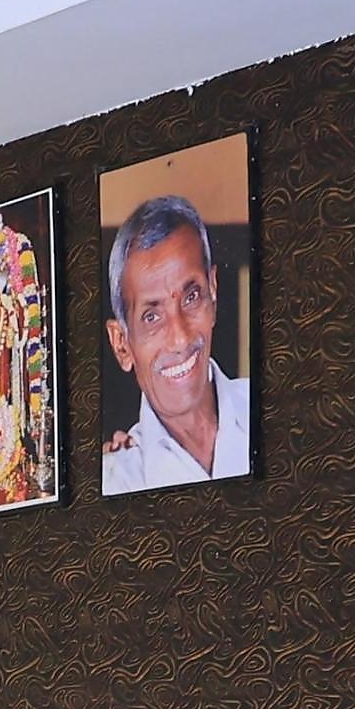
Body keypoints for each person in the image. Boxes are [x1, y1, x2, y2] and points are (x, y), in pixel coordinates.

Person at [97, 191, 252, 491]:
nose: (180, 338)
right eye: (151, 317)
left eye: (191, 297)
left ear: (213, 291)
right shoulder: (117, 480)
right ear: (121, 344)